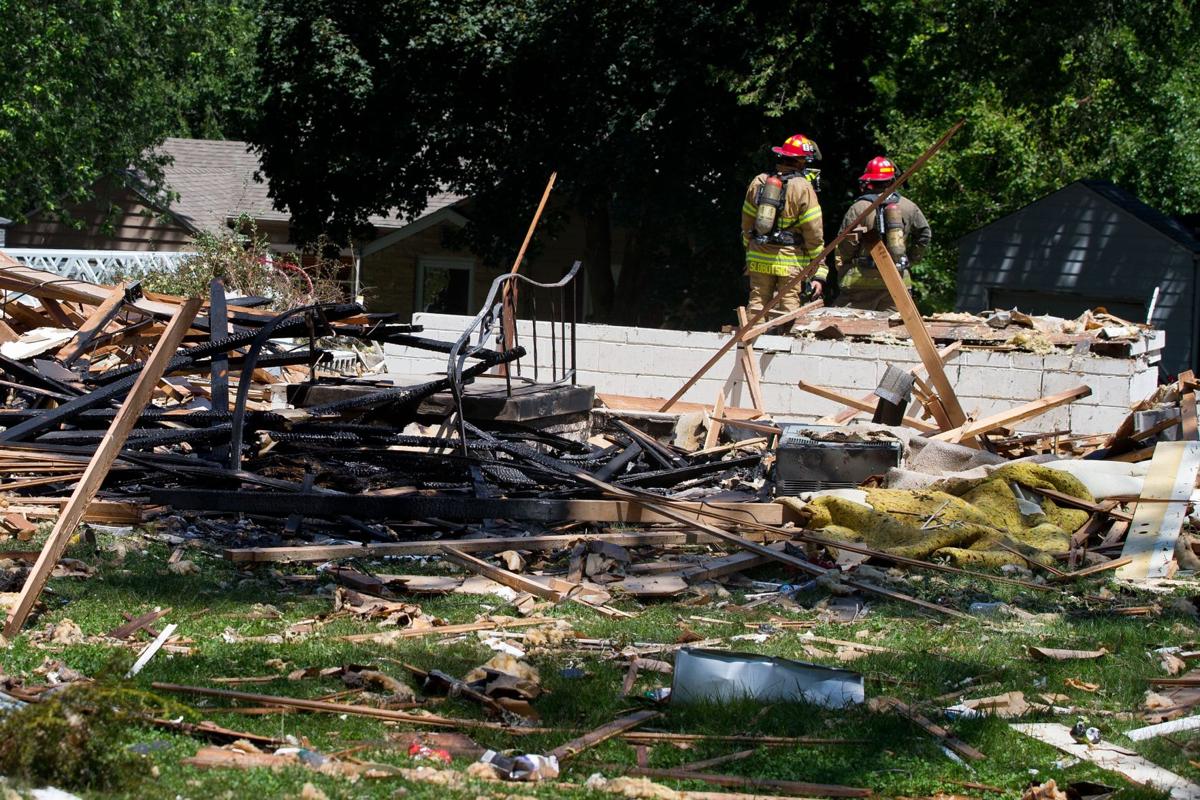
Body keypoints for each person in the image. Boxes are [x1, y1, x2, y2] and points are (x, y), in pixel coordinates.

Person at [824, 156, 931, 312]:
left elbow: (846, 243)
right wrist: (911, 258)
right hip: (898, 280)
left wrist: (845, 265)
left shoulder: (859, 208)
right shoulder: (908, 206)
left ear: (869, 181)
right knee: (895, 324)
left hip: (861, 281)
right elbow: (925, 234)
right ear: (892, 179)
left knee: (850, 323)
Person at [740, 134, 825, 316]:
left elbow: (747, 222)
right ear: (801, 161)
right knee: (788, 307)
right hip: (789, 259)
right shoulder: (803, 187)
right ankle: (785, 334)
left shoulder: (759, 181)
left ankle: (751, 334)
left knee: (757, 303)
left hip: (758, 255)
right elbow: (813, 231)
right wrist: (819, 265)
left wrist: (749, 249)